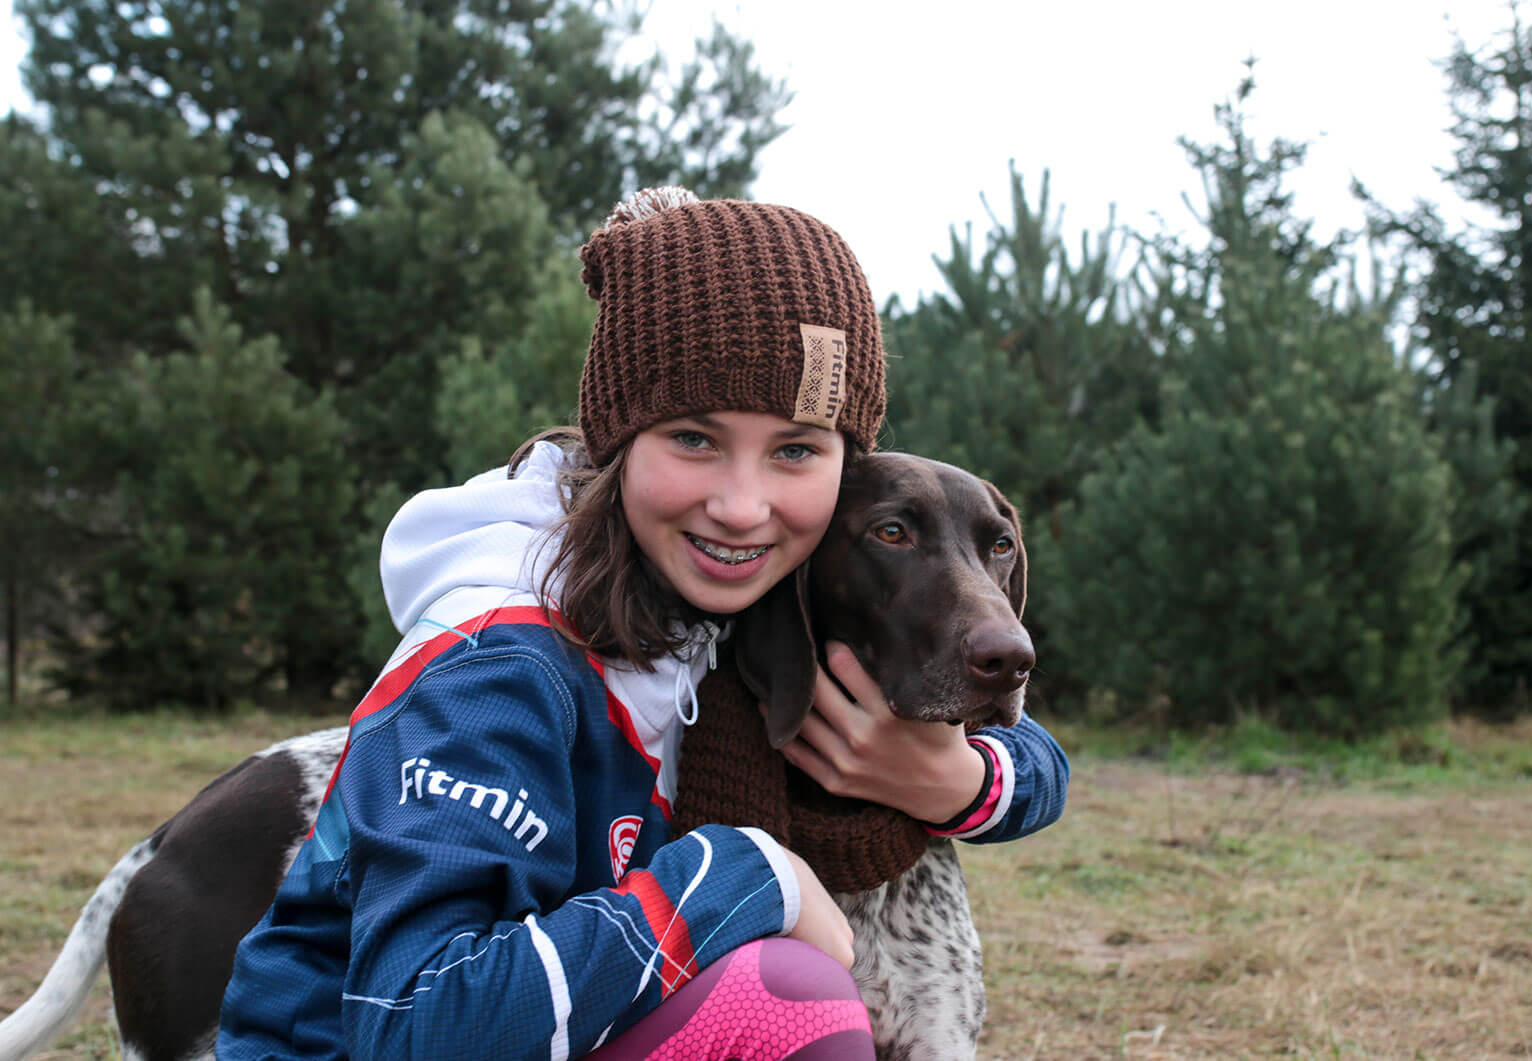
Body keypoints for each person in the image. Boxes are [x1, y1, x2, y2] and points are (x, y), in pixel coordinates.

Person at [217, 187, 1069, 1060]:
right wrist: (741, 875)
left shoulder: (734, 605)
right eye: (695, 438)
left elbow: (1042, 759)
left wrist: (960, 783)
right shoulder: (498, 666)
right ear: (617, 440)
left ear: (842, 467)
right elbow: (417, 1026)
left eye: (796, 449)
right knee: (791, 1001)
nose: (743, 507)